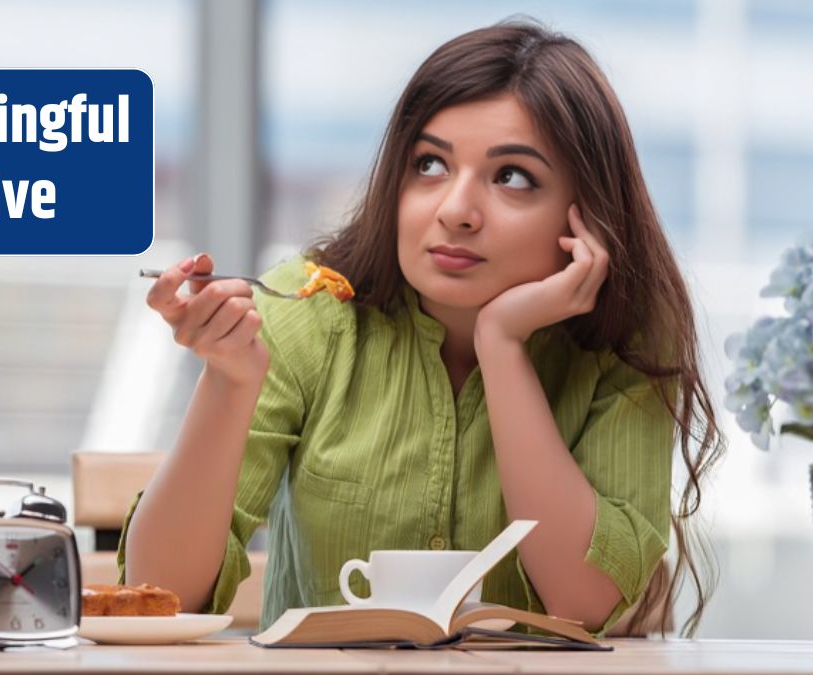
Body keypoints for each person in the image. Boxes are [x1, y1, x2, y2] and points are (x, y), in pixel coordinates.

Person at [121, 19, 723, 637]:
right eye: (430, 165)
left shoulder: (629, 342)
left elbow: (584, 600)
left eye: (512, 176)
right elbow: (160, 594)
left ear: (588, 212)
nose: (455, 211)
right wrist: (228, 383)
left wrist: (503, 344)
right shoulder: (310, 310)